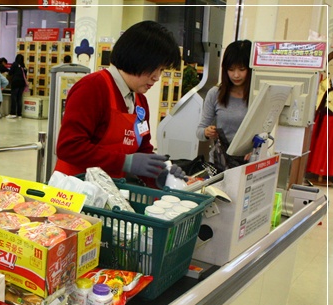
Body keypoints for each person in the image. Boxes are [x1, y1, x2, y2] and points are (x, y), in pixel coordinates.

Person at [55, 20, 186, 187]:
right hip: (75, 192)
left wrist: (161, 174)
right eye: (155, 68)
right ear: (138, 57)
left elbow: (142, 151)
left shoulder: (140, 102)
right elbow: (69, 147)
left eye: (162, 70)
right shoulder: (92, 88)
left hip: (110, 192)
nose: (157, 77)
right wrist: (125, 162)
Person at [196, 39, 253, 169]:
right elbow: (200, 131)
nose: (236, 75)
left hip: (250, 164)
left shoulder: (258, 95)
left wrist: (256, 147)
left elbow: (266, 133)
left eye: (242, 69)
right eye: (231, 69)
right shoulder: (215, 93)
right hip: (220, 163)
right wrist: (206, 132)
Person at [6, 54, 27, 119]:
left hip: (15, 83)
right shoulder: (23, 66)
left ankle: (13, 113)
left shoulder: (15, 64)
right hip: (22, 84)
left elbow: (10, 73)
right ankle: (19, 114)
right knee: (19, 98)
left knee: (14, 98)